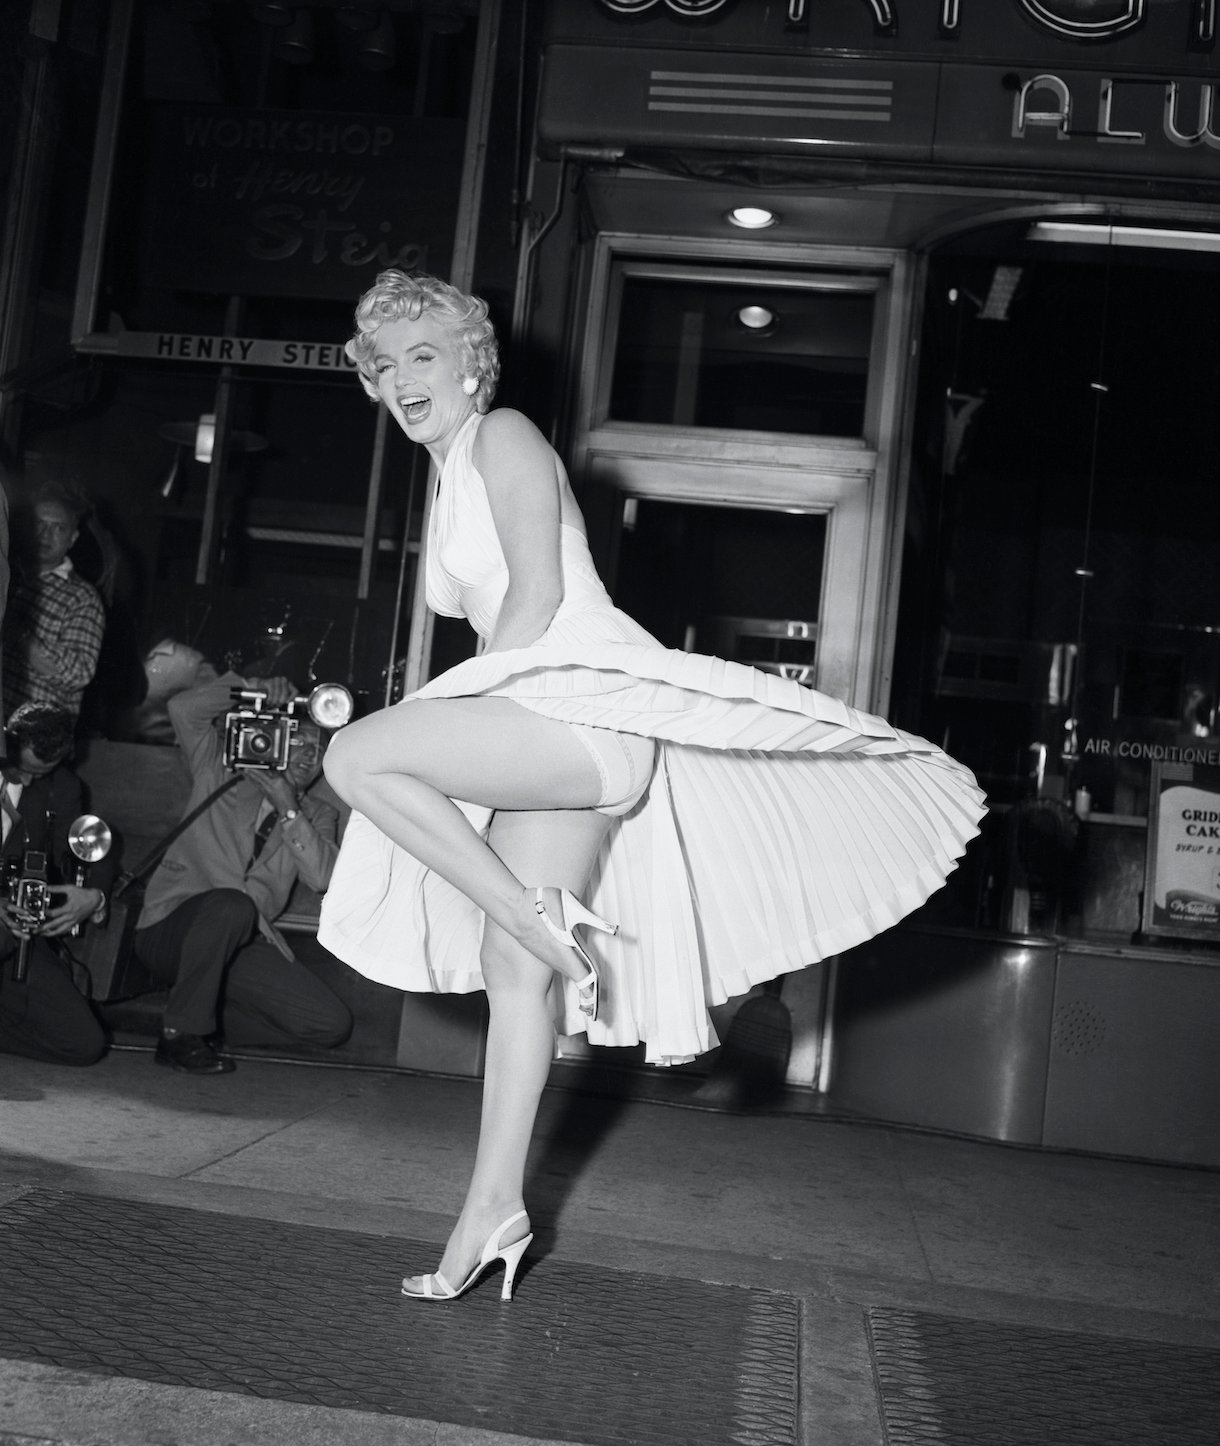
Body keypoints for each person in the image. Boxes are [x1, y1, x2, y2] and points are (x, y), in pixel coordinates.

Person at [318, 270, 986, 1303]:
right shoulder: (448, 469)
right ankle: (491, 1209)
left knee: (355, 758)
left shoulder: (502, 437)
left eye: (423, 355)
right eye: (384, 361)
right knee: (513, 971)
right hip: (548, 719)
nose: (403, 379)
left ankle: (538, 920)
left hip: (577, 709)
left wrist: (452, 735)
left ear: (468, 363)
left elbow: (537, 596)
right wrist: (457, 739)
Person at [133, 671, 353, 1075]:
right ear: (279, 738)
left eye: (318, 750)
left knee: (329, 1024)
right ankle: (181, 1034)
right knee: (231, 906)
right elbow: (183, 709)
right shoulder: (220, 772)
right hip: (171, 925)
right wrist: (251, 687)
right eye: (299, 741)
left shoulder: (317, 814)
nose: (308, 755)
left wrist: (288, 807)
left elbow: (321, 878)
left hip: (245, 941)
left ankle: (195, 1014)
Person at [0, 703, 110, 1065]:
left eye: (41, 772)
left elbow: (88, 849)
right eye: (22, 770)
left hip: (20, 936)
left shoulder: (63, 788)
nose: (28, 781)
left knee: (83, 1044)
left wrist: (93, 897)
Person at [2, 480, 106, 721]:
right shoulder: (9, 575)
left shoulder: (83, 598)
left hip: (33, 743)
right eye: (38, 524)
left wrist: (19, 636)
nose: (44, 535)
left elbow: (78, 673)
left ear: (73, 537)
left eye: (57, 528)